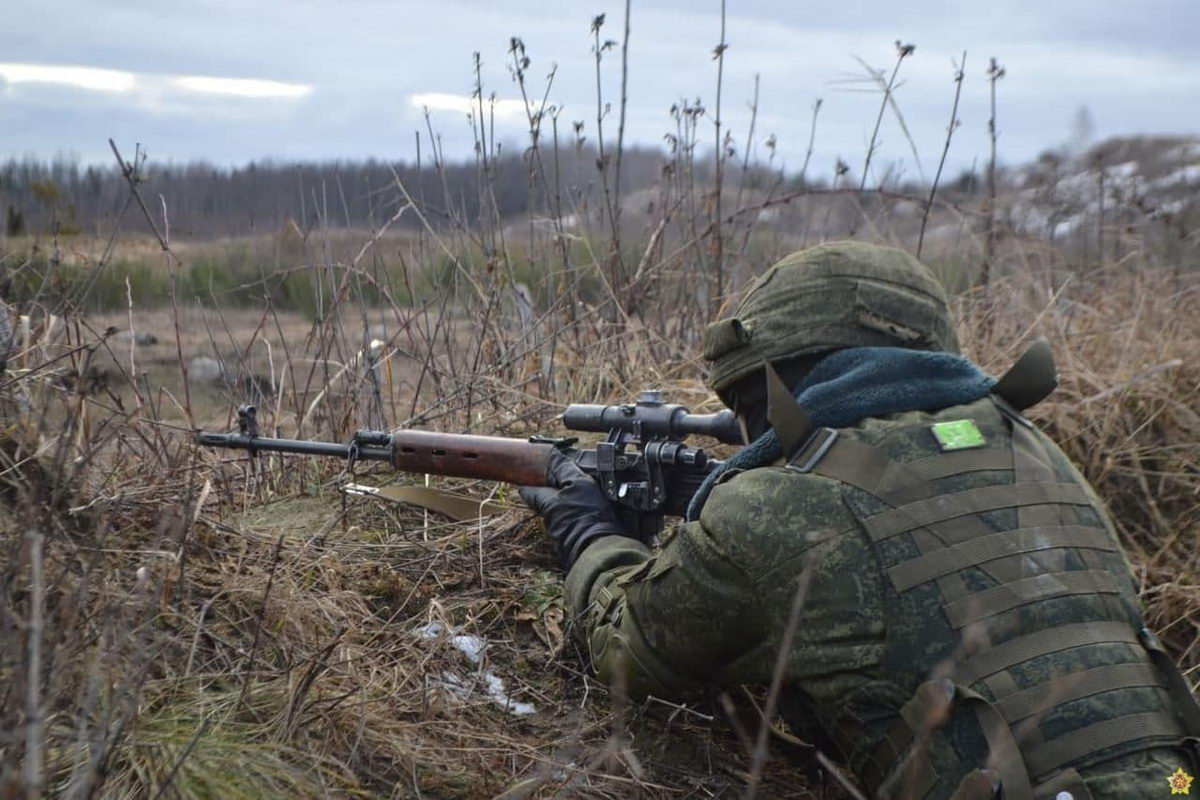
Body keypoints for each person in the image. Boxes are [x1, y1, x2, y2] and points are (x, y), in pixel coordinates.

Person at [519, 242, 1200, 800]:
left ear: (773, 382)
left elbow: (627, 652)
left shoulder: (777, 505)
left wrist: (590, 529)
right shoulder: (1039, 453)